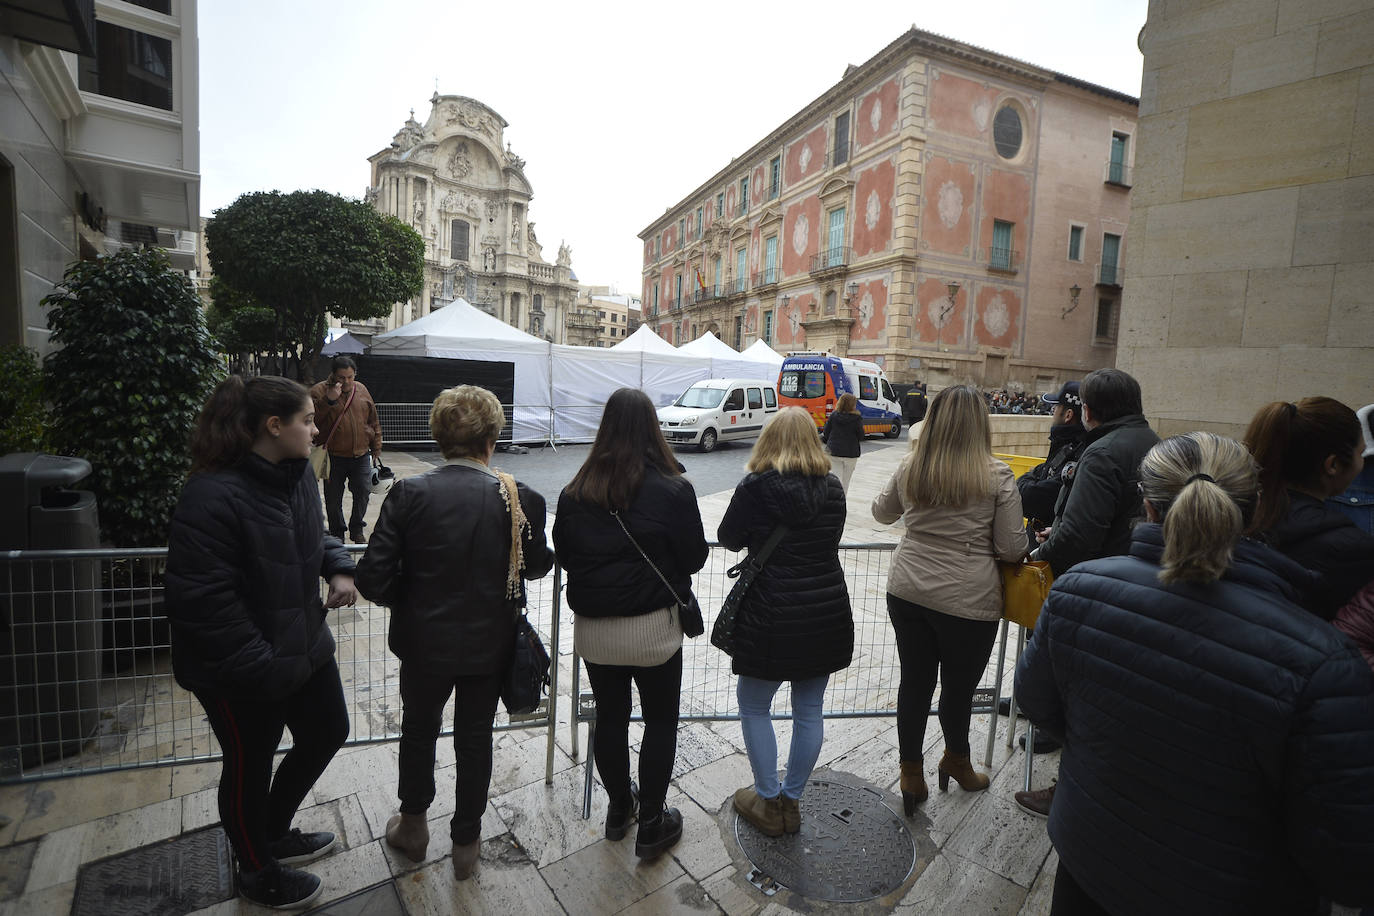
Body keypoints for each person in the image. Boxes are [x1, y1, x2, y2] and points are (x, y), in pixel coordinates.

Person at [1014, 432, 1374, 916]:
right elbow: (1345, 858)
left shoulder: (1079, 590)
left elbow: (1038, 704)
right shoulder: (1323, 662)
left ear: (1146, 506)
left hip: (1091, 862)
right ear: (1255, 509)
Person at [166, 375, 356, 910]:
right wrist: (264, 666)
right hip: (238, 667)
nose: (317, 429)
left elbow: (314, 533)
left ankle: (272, 832)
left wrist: (338, 566)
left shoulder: (295, 475)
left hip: (300, 640)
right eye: (308, 420)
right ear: (274, 426)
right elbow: (203, 603)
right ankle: (255, 868)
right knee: (249, 764)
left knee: (328, 730)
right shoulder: (211, 494)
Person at [354, 386, 552, 880]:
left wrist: (416, 593)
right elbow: (536, 568)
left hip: (423, 646)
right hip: (490, 646)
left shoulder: (409, 493)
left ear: (440, 439)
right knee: (475, 737)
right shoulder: (519, 495)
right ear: (492, 438)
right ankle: (466, 842)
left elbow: (373, 579)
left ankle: (414, 827)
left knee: (418, 731)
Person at [553, 388, 708, 860]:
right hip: (655, 631)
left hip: (597, 633)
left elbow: (565, 554)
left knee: (610, 718)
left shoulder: (575, 492)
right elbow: (696, 556)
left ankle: (620, 807)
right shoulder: (674, 488)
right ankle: (654, 821)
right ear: (652, 429)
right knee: (661, 721)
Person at [871, 385, 1026, 812]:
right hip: (968, 600)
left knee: (914, 683)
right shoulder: (997, 475)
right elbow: (1012, 548)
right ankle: (957, 759)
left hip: (908, 589)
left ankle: (911, 773)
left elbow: (881, 513)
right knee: (958, 690)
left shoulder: (912, 466)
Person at [718, 407, 853, 836]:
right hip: (824, 610)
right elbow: (829, 539)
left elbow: (728, 537)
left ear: (769, 440)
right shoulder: (833, 488)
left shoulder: (755, 487)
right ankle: (791, 802)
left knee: (754, 704)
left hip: (770, 615)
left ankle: (767, 797)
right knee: (809, 709)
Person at [1244, 397, 1374, 618]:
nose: (1362, 463)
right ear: (1332, 465)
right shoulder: (1355, 551)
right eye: (1360, 453)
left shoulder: (1232, 515)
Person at [1030, 368, 1159, 577]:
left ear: (1087, 412)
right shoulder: (1154, 442)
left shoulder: (1101, 454)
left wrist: (1039, 556)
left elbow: (1077, 538)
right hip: (1136, 569)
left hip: (1099, 576)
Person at [309, 356, 382, 544]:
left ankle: (357, 528)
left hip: (360, 454)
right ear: (334, 375)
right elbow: (312, 422)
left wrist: (376, 445)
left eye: (350, 377)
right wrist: (329, 401)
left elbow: (373, 419)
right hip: (333, 456)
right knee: (333, 499)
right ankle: (337, 533)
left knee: (363, 492)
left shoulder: (362, 389)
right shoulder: (318, 391)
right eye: (342, 377)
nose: (347, 382)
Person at [1016, 381, 1087, 553]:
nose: (1053, 412)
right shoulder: (1067, 446)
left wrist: (1026, 480)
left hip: (1051, 551)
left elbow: (1029, 497)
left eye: (1056, 408)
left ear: (1068, 414)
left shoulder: (1078, 452)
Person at [820, 393, 863, 493]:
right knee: (846, 482)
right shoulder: (857, 418)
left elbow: (826, 433)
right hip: (851, 453)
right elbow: (861, 435)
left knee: (836, 479)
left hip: (834, 451)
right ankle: (842, 503)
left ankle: (834, 501)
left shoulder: (834, 415)